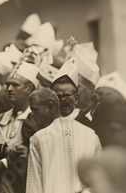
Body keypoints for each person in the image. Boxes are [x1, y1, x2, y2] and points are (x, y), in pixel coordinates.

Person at [26, 62, 102, 193]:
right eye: (57, 96)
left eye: (67, 95)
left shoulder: (91, 136)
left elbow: (98, 177)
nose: (62, 100)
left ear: (76, 98)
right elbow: (34, 182)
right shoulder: (39, 138)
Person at [0, 61, 39, 193]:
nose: (9, 89)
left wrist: (6, 161)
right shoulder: (0, 118)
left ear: (28, 88)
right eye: (8, 84)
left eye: (15, 85)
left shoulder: (36, 119)